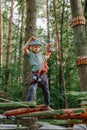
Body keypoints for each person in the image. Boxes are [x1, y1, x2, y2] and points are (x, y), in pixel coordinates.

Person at [23, 37, 53, 111]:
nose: (37, 48)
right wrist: (30, 40)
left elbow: (48, 56)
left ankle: (47, 105)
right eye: (35, 47)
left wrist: (48, 49)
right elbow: (24, 48)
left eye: (38, 47)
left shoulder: (41, 56)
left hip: (43, 75)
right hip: (36, 75)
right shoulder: (30, 55)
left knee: (46, 90)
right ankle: (28, 104)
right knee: (32, 88)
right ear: (31, 48)